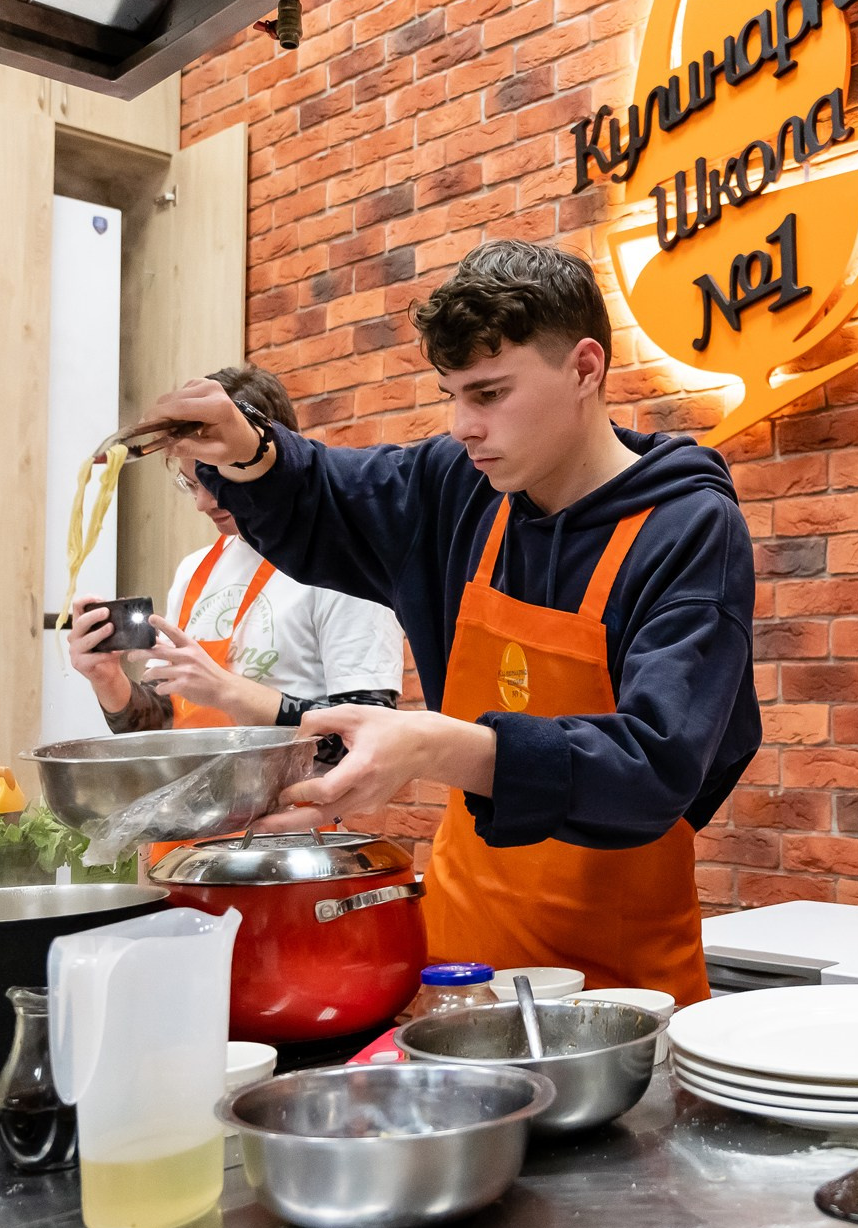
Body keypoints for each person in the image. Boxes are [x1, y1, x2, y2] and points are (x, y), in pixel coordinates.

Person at [147, 241, 760, 1004]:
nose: (462, 424)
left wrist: (437, 744)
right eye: (451, 393)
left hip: (624, 996)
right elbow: (332, 493)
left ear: (584, 368)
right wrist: (248, 449)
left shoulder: (690, 528)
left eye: (489, 393)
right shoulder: (457, 488)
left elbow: (655, 763)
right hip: (462, 970)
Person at [69, 366, 407, 736]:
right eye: (190, 483)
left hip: (308, 795)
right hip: (208, 795)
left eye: (218, 476)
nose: (203, 502)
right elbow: (162, 724)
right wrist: (108, 680)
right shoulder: (195, 570)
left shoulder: (345, 565)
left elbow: (369, 733)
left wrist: (227, 691)